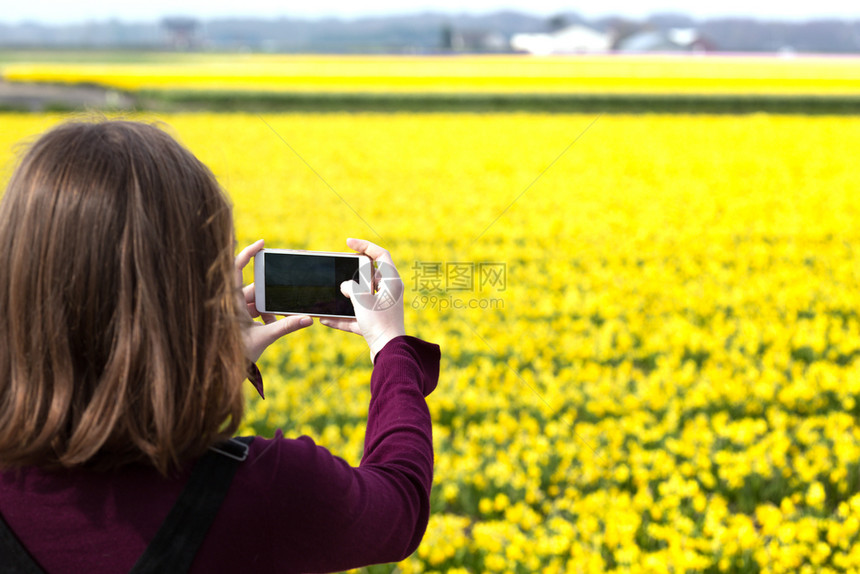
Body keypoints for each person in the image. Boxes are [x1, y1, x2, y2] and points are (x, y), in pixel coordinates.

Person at [0, 119, 439, 573]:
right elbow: (398, 506)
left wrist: (205, 366)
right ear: (197, 290)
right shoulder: (267, 490)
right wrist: (391, 346)